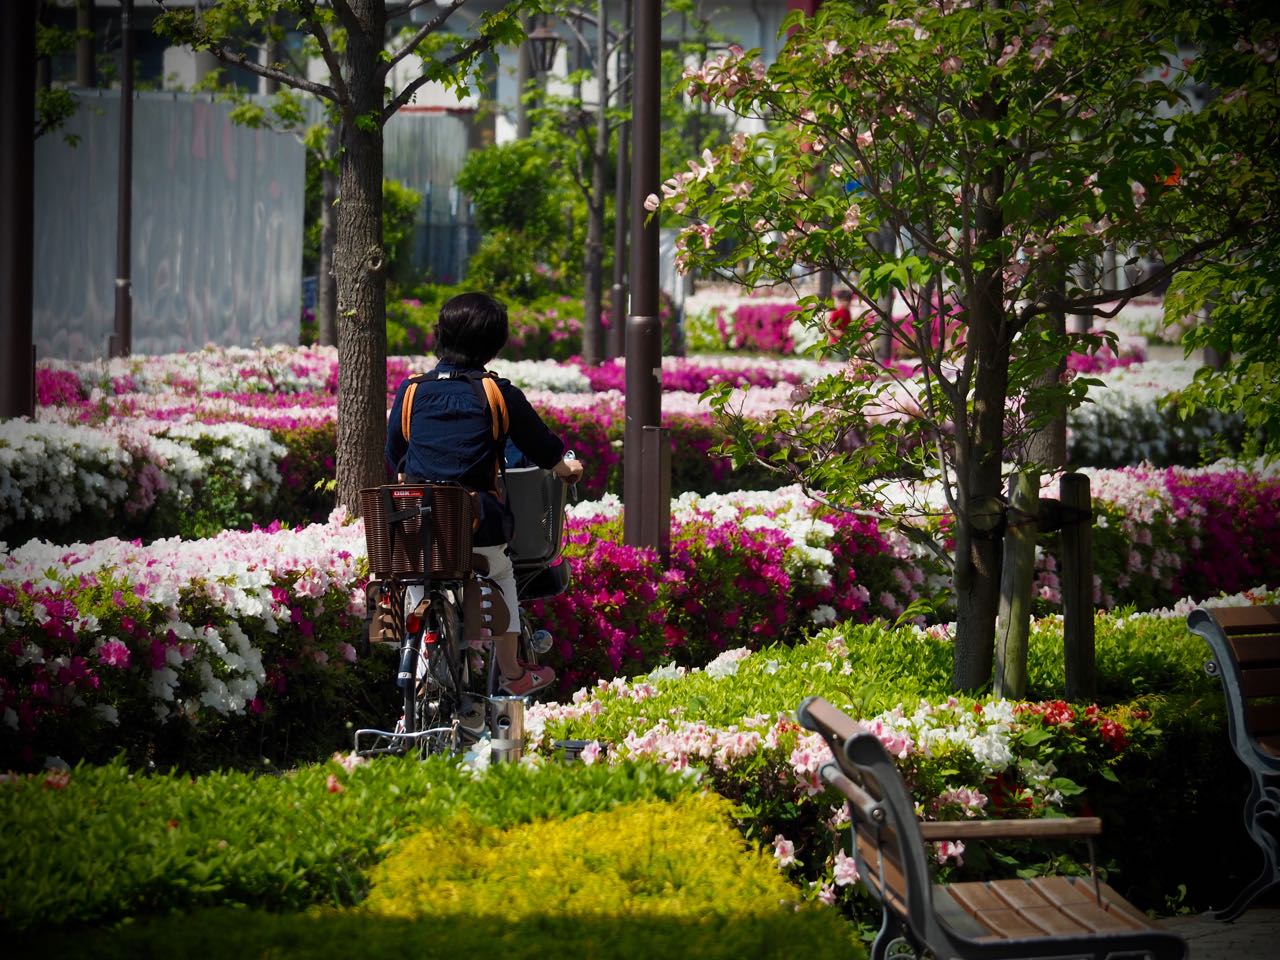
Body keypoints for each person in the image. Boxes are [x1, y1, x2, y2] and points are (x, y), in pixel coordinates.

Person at [385, 292, 584, 696]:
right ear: (494, 345)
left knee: (420, 582)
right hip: (477, 521)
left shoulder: (410, 391)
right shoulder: (496, 392)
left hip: (418, 521)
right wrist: (567, 467)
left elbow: (396, 454)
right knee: (501, 574)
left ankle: (423, 672)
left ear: (439, 335)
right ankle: (512, 672)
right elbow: (542, 445)